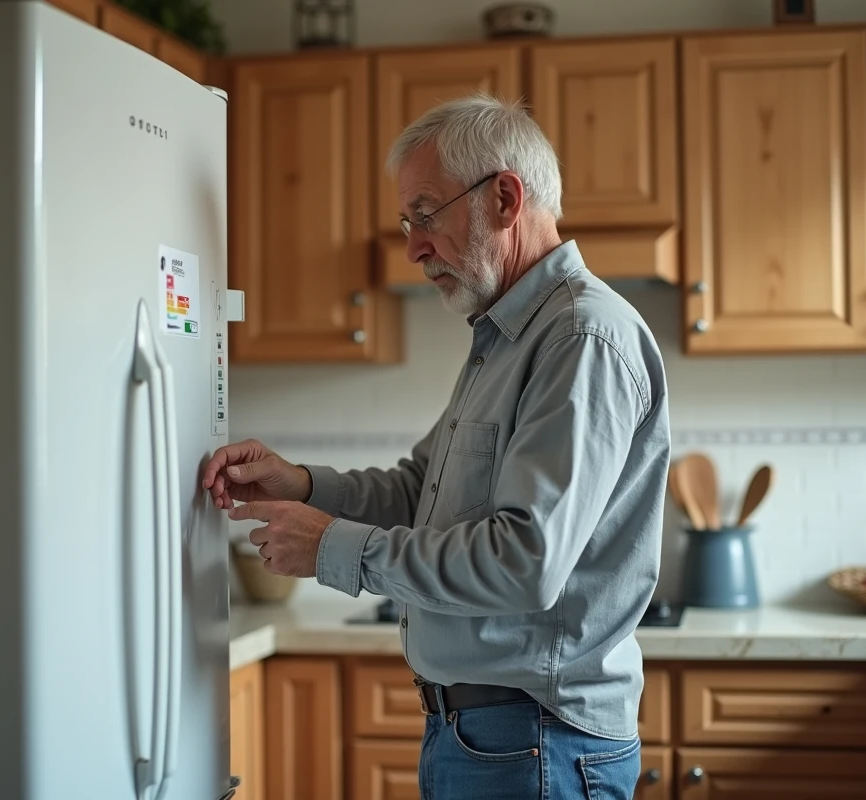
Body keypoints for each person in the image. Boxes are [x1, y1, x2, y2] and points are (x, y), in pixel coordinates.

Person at [202, 92, 670, 800]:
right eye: (407, 222)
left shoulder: (579, 338)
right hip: (493, 741)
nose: (414, 246)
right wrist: (300, 484)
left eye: (425, 216)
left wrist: (334, 547)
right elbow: (420, 492)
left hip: (535, 744)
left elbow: (525, 562)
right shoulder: (505, 337)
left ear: (505, 198)